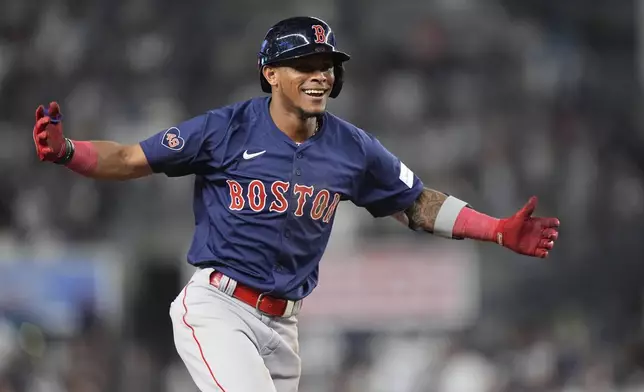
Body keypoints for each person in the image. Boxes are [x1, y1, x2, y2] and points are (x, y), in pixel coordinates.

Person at [31, 16, 560, 392]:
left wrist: (494, 229)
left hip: (284, 327)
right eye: (304, 62)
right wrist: (69, 152)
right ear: (271, 74)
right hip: (219, 309)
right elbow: (128, 156)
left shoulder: (353, 148)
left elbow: (417, 203)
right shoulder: (227, 128)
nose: (320, 73)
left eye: (326, 63)